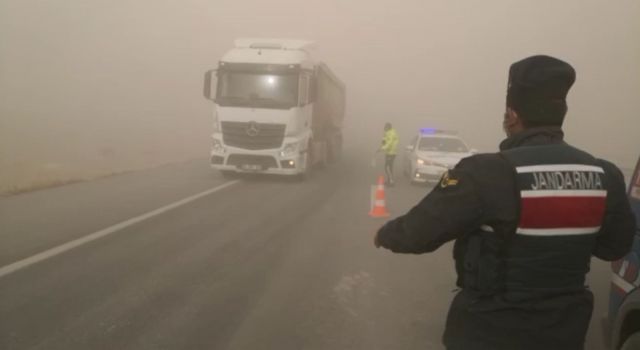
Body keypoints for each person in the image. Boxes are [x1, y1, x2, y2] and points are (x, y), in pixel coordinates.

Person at [374, 55, 636, 350]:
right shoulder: (604, 174)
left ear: (512, 115)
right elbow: (614, 246)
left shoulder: (486, 172)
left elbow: (418, 233)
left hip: (489, 331)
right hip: (565, 332)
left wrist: (386, 234)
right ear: (561, 112)